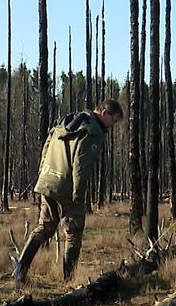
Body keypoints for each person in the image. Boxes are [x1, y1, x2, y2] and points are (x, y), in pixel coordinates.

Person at [13, 99, 125, 283]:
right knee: (73, 233)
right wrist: (78, 195)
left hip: (48, 181)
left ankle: (20, 271)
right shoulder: (93, 131)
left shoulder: (67, 122)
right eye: (114, 121)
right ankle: (69, 282)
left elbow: (46, 148)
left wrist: (43, 175)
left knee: (44, 227)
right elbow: (81, 165)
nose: (112, 126)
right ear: (104, 113)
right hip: (67, 187)